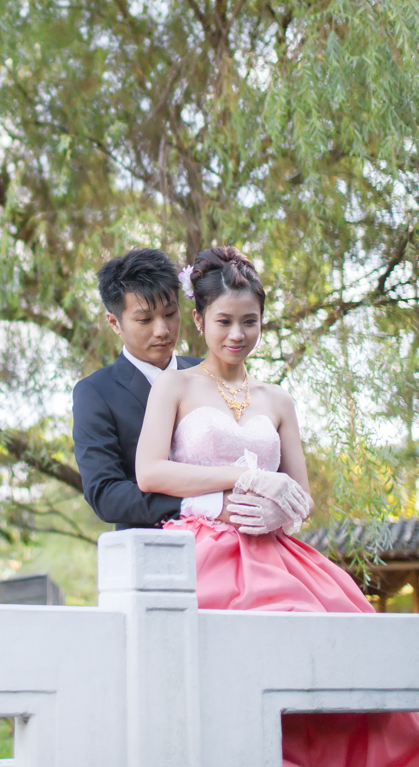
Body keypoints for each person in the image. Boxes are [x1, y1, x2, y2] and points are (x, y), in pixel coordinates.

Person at [135, 245, 419, 767]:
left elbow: (301, 496)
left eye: (250, 321)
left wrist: (281, 510)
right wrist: (243, 477)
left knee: (333, 640)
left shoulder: (277, 399)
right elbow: (150, 471)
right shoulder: (175, 385)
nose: (237, 334)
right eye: (224, 321)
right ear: (199, 320)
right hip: (203, 547)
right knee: (229, 659)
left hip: (276, 551)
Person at [72, 247, 202, 530]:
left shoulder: (206, 372)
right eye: (144, 320)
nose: (162, 330)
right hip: (151, 552)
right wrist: (197, 506)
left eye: (170, 314)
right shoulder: (95, 393)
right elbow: (104, 493)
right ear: (114, 323)